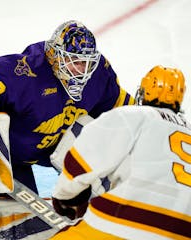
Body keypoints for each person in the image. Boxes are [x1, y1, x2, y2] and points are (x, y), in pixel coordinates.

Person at [0, 20, 134, 194]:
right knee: (19, 212)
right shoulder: (24, 73)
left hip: (49, 149)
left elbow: (126, 112)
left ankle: (96, 203)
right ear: (54, 56)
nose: (81, 70)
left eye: (86, 63)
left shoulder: (98, 75)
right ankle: (2, 200)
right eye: (74, 61)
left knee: (94, 131)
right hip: (5, 157)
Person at [50, 65, 191, 240]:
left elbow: (85, 156)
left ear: (145, 90)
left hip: (125, 220)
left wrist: (66, 196)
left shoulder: (133, 115)